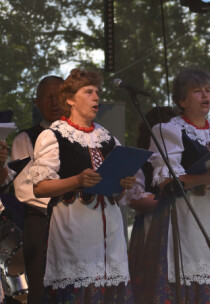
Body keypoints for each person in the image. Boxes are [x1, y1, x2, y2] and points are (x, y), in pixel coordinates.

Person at [29, 68, 135, 303]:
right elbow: (40, 187)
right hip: (74, 228)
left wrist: (124, 184)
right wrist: (76, 181)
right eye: (88, 92)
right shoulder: (54, 135)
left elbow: (117, 193)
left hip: (111, 230)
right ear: (69, 99)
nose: (96, 97)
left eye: (97, 92)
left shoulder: (108, 138)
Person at [146, 67, 210, 303]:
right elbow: (167, 181)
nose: (205, 96)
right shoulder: (168, 130)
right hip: (187, 217)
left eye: (208, 90)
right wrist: (209, 176)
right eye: (197, 91)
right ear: (181, 100)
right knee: (190, 283)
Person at [11, 75, 63, 304]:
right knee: (43, 293)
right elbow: (24, 189)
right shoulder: (26, 138)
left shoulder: (81, 138)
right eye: (48, 97)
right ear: (38, 103)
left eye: (59, 96)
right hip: (42, 223)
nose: (54, 102)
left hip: (78, 224)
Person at [127, 106, 177, 303]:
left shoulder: (182, 158)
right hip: (153, 227)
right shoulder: (141, 159)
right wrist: (170, 203)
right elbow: (136, 198)